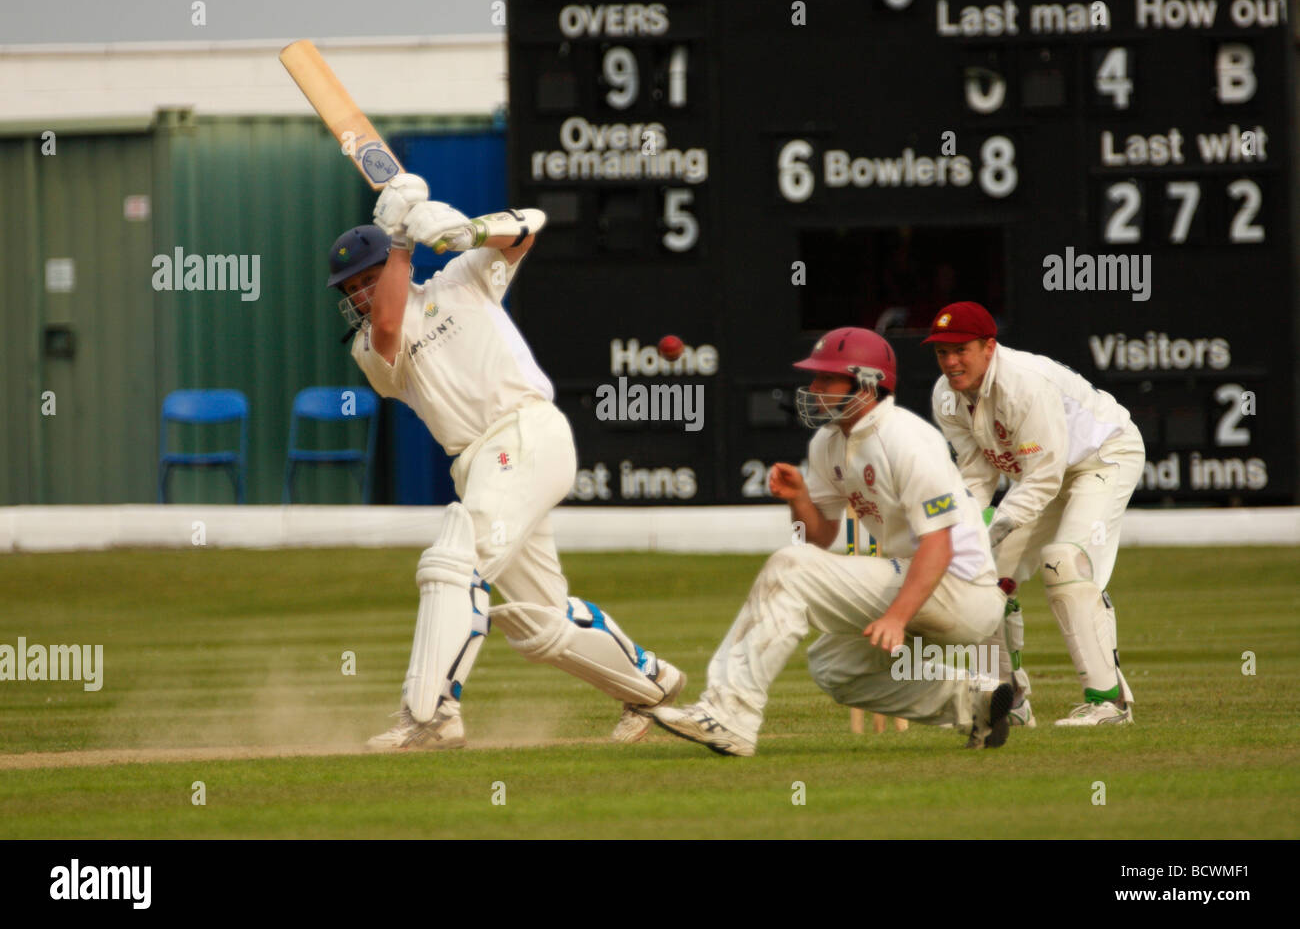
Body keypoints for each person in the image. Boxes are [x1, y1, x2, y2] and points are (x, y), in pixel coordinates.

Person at [327, 173, 684, 750]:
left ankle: (432, 714)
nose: (359, 297)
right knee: (537, 622)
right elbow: (391, 324)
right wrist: (398, 238)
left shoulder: (459, 279)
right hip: (481, 462)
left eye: (366, 281)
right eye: (351, 289)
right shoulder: (369, 349)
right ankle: (651, 684)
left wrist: (468, 231)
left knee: (455, 556)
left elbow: (528, 229)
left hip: (524, 433)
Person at [649, 327, 1013, 756]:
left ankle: (730, 715)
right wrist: (800, 499)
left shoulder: (906, 438)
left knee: (789, 567)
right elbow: (818, 537)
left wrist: (896, 617)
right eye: (815, 379)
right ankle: (973, 701)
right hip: (921, 583)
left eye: (826, 379)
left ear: (866, 383)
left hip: (962, 589)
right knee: (834, 667)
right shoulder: (828, 443)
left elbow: (940, 546)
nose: (813, 389)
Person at [925, 301, 1142, 727]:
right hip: (1047, 472)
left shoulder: (1023, 384)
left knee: (1063, 561)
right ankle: (1009, 700)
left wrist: (989, 530)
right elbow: (977, 473)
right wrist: (961, 527)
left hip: (1103, 457)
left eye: (960, 349)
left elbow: (1041, 478)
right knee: (982, 575)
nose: (950, 362)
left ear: (989, 346)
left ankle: (1109, 702)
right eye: (941, 352)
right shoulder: (946, 397)